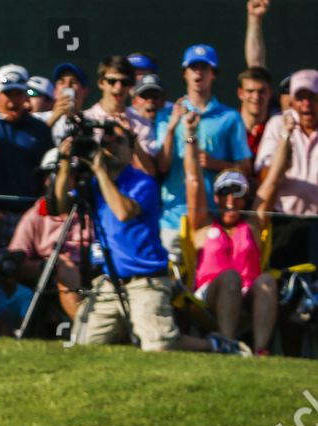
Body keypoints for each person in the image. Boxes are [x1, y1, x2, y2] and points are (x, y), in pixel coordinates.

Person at [51, 121, 247, 354]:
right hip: (110, 283)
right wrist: (64, 165)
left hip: (146, 281)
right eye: (106, 143)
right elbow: (60, 205)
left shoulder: (143, 182)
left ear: (132, 149)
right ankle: (131, 333)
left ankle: (217, 345)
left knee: (159, 345)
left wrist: (100, 171)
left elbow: (124, 212)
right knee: (83, 343)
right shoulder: (94, 183)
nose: (110, 147)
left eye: (118, 142)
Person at [184, 113, 276, 354]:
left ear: (245, 199)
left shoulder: (252, 226)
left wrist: (286, 136)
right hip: (210, 293)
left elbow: (271, 184)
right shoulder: (203, 224)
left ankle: (261, 351)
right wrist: (191, 136)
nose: (230, 201)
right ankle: (228, 346)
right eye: (224, 194)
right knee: (230, 278)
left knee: (267, 280)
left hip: (249, 292)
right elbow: (193, 179)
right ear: (216, 197)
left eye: (237, 195)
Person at [155, 44, 253, 251]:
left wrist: (217, 164)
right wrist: (173, 129)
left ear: (213, 74)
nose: (198, 72)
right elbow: (161, 167)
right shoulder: (166, 117)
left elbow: (244, 168)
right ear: (185, 73)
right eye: (193, 68)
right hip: (173, 219)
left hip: (212, 219)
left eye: (204, 67)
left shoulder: (230, 117)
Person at [0, 64, 51, 263]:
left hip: (28, 217)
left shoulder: (40, 130)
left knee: (25, 273)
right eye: (7, 94)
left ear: (26, 96)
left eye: (18, 94)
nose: (12, 100)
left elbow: (47, 177)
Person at [5, 151, 92, 324]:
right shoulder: (36, 214)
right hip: (53, 272)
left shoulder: (91, 211)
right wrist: (50, 265)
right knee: (63, 269)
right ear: (47, 180)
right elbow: (16, 260)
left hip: (94, 270)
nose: (67, 182)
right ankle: (85, 327)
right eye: (60, 175)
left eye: (72, 176)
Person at [256, 69, 318, 268]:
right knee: (284, 288)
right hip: (285, 222)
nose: (306, 104)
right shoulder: (278, 125)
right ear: (291, 102)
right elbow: (264, 176)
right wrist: (286, 140)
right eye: (300, 98)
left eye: (312, 97)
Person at [83, 56, 157, 169]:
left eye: (124, 82)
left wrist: (132, 138)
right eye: (112, 81)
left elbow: (150, 172)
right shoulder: (85, 119)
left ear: (131, 86)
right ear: (101, 83)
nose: (118, 87)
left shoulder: (142, 124)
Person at [237, 67, 276, 156]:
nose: (256, 96)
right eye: (250, 91)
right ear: (240, 93)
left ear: (270, 93)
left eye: (262, 91)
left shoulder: (278, 128)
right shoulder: (228, 125)